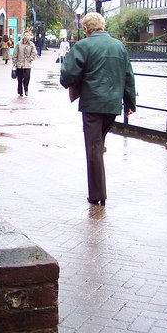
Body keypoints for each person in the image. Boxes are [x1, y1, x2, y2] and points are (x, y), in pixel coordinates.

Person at [59, 12, 136, 206]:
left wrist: (74, 82)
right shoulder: (119, 46)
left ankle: (97, 195)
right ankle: (98, 191)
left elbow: (67, 75)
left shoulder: (83, 46)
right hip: (112, 105)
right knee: (98, 144)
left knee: (93, 147)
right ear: (103, 26)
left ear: (86, 29)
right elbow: (128, 76)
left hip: (92, 103)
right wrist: (130, 104)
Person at [12, 30, 36, 97]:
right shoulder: (18, 44)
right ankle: (20, 92)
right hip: (19, 65)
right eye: (25, 35)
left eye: (27, 35)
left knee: (27, 78)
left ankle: (26, 89)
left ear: (29, 36)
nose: (26, 36)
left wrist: (29, 59)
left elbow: (34, 53)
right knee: (19, 79)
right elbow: (15, 54)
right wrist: (14, 62)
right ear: (23, 36)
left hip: (27, 65)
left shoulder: (31, 44)